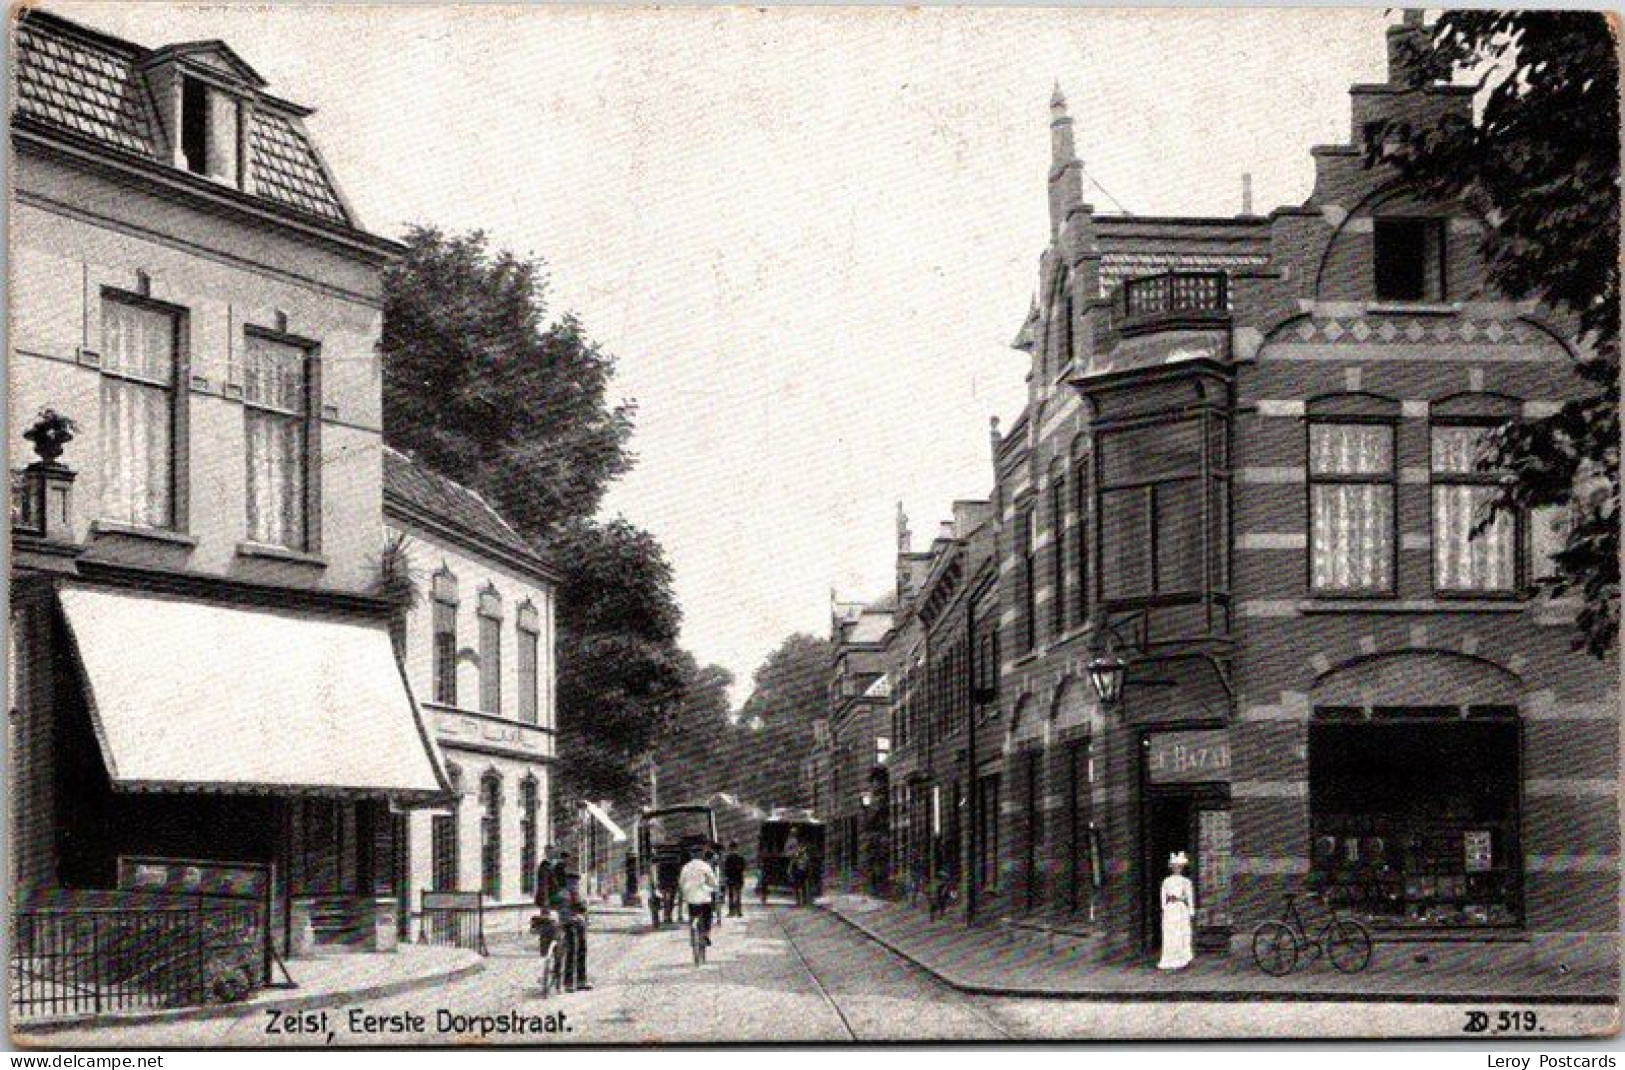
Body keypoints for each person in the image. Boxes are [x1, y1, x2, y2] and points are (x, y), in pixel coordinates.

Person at [1157, 851, 1195, 971]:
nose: (1177, 869)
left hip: (1180, 909)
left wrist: (1191, 910)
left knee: (1181, 932)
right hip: (1171, 909)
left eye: (1179, 867)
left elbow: (1189, 896)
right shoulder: (1166, 881)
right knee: (1170, 933)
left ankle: (1182, 957)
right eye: (1175, 867)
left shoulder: (1186, 882)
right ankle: (1169, 958)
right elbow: (1163, 896)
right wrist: (1164, 907)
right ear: (1171, 867)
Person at [677, 849, 720, 953]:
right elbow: (713, 882)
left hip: (691, 897)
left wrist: (684, 892)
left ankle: (693, 933)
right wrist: (713, 887)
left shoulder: (686, 867)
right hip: (704, 897)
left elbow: (681, 882)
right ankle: (705, 934)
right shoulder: (705, 866)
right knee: (707, 916)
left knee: (693, 915)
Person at [558, 868, 593, 991]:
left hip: (571, 923)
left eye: (576, 882)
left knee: (577, 949)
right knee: (575, 949)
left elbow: (583, 908)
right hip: (570, 923)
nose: (575, 884)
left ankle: (575, 981)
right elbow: (577, 907)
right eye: (574, 881)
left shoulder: (569, 893)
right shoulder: (568, 893)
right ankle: (573, 982)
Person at [722, 841, 747, 917]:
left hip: (731, 879)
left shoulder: (728, 858)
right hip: (739, 879)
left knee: (731, 896)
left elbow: (726, 869)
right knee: (738, 895)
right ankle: (739, 912)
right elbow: (743, 868)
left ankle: (731, 912)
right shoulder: (741, 857)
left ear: (730, 848)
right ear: (737, 848)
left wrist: (726, 877)